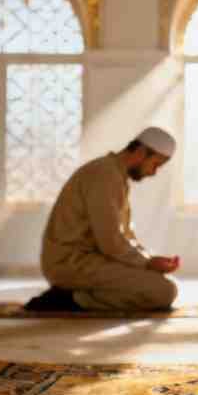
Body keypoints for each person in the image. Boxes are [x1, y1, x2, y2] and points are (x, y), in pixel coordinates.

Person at [25, 127, 180, 312]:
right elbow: (110, 240)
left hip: (93, 259)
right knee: (164, 291)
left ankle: (75, 295)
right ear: (140, 152)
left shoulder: (115, 174)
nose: (154, 172)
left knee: (164, 283)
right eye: (155, 164)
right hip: (71, 263)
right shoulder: (105, 174)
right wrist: (146, 264)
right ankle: (70, 299)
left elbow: (124, 236)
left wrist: (150, 259)